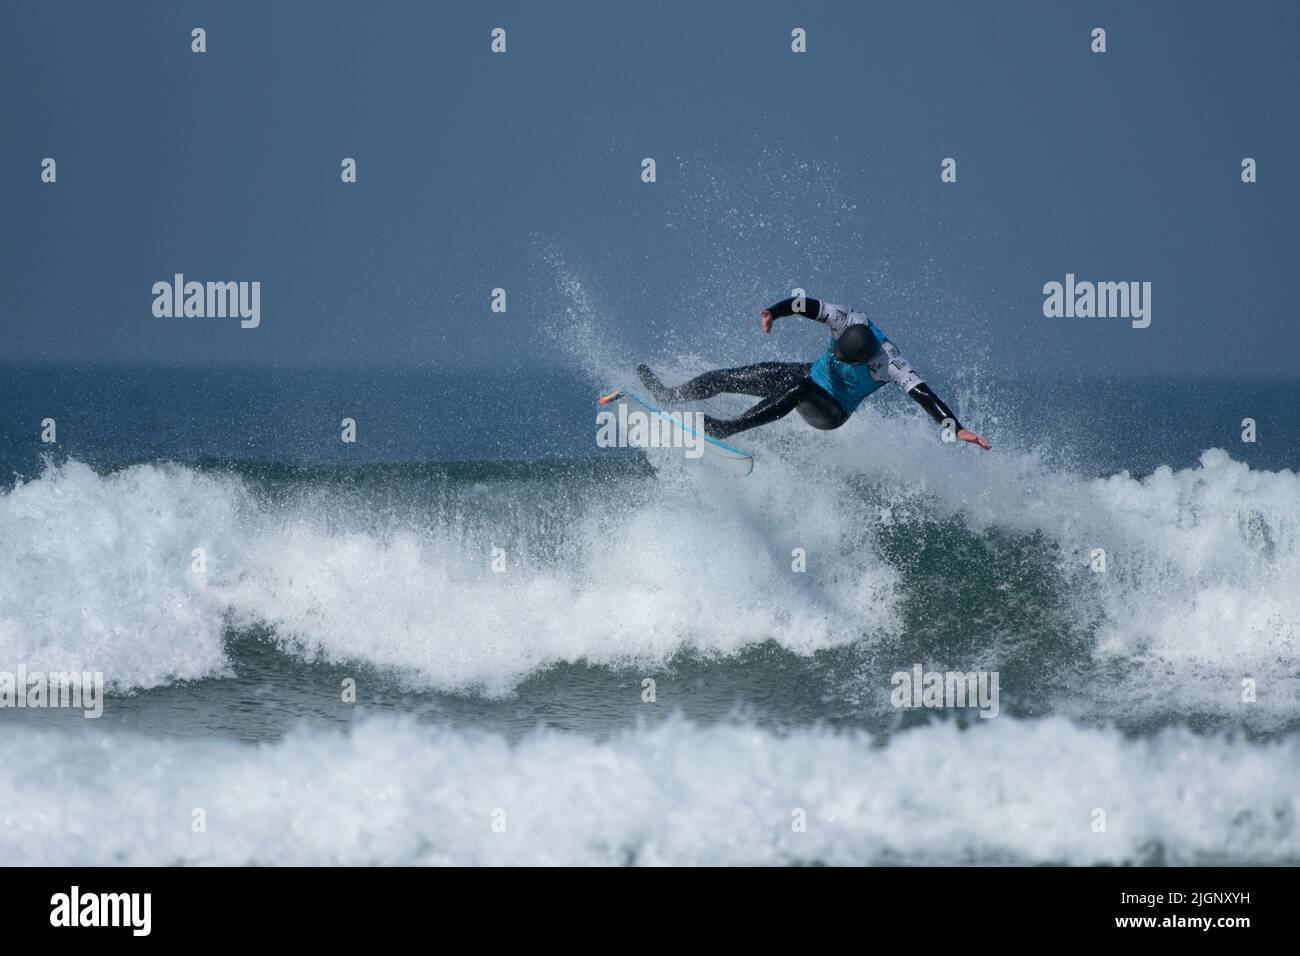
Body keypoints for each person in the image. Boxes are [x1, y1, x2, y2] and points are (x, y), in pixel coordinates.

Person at [636, 295, 991, 448]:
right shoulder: (847, 319)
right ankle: (671, 396)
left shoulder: (890, 364)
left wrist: (956, 429)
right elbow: (804, 305)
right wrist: (773, 312)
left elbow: (925, 396)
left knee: (800, 389)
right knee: (733, 376)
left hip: (831, 410)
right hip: (808, 375)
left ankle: (728, 430)